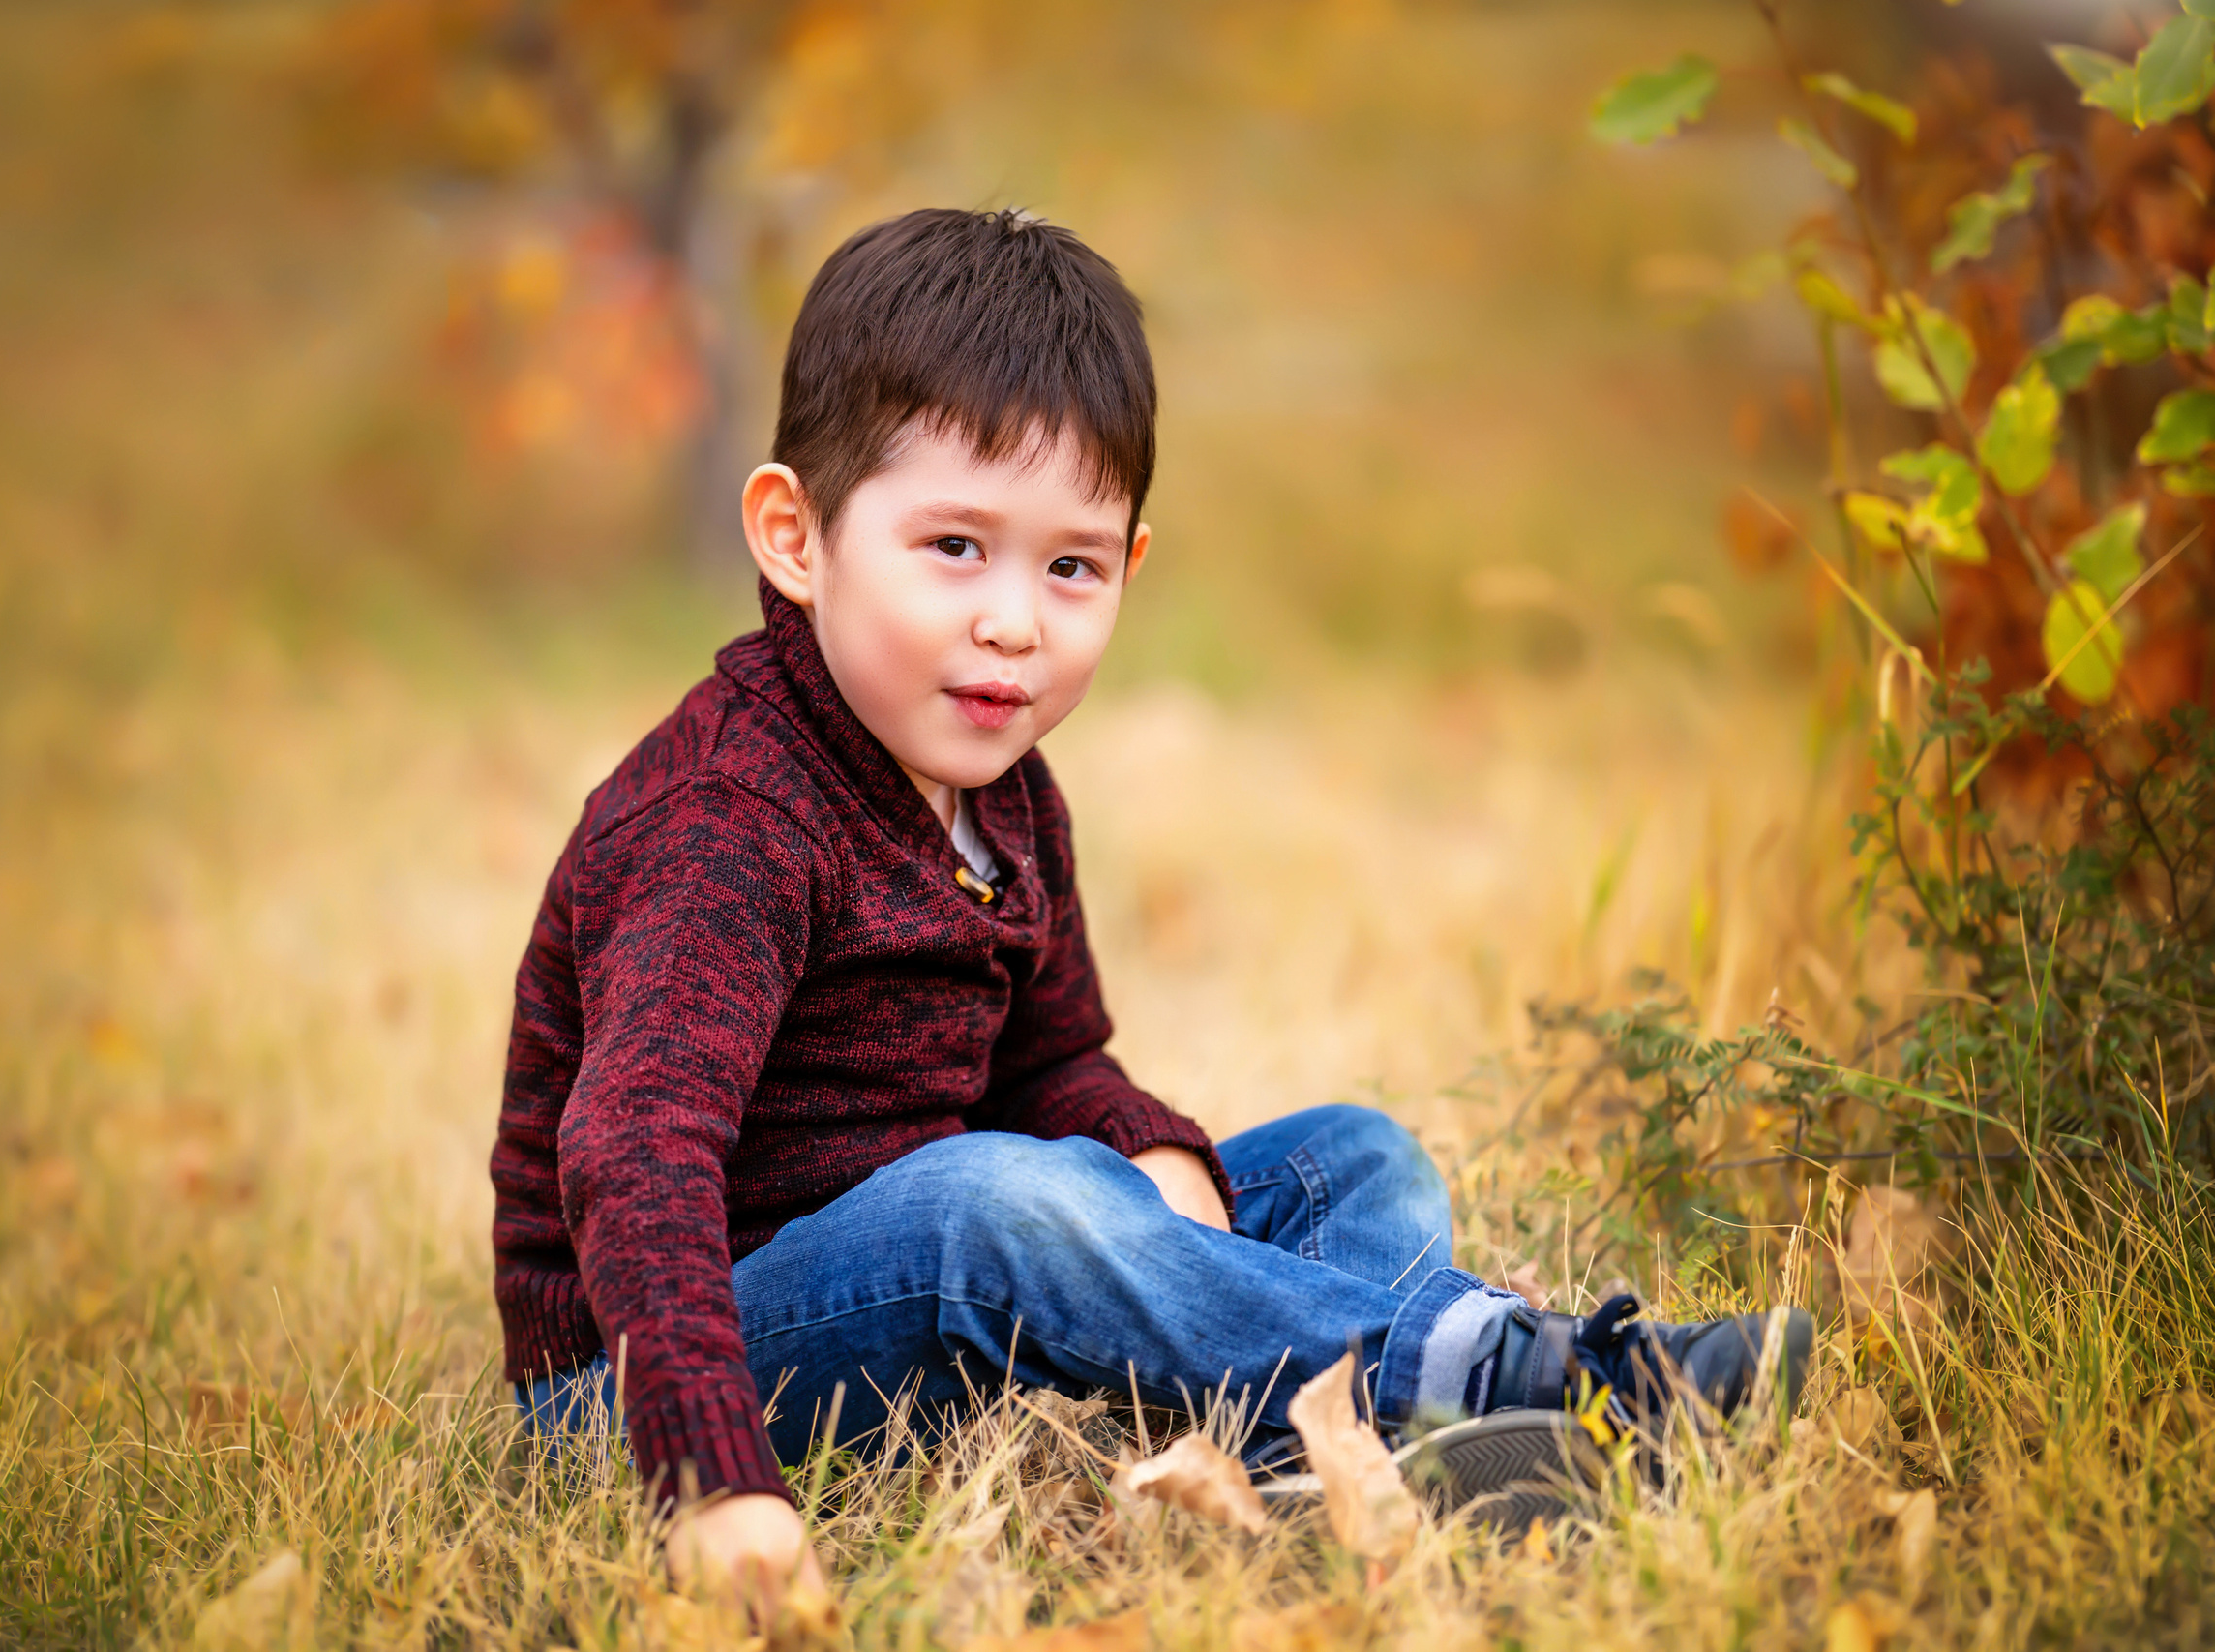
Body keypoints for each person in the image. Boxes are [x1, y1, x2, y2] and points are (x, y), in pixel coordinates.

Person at [488, 207, 1811, 1608]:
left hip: (946, 1277)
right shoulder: (732, 814)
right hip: (650, 1381)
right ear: (795, 536)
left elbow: (1052, 1062)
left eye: (1071, 566)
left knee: (1349, 1160)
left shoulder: (1004, 794)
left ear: (1130, 564)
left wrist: (1145, 1146)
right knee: (991, 1203)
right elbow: (635, 1150)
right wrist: (712, 1477)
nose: (1015, 622)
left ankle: (1319, 1445)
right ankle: (1501, 1374)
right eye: (955, 546)